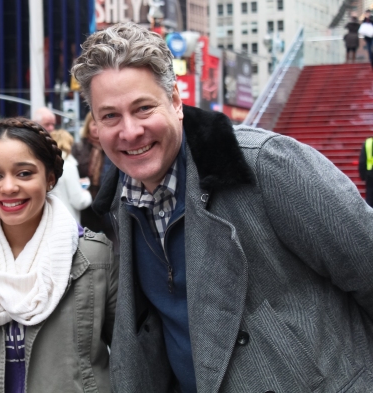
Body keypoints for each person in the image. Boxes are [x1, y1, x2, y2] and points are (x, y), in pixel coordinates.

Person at [72, 22, 373, 392]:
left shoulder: (265, 164)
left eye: (143, 108)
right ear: (96, 127)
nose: (130, 131)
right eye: (111, 116)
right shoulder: (121, 202)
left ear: (176, 102)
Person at [0, 118, 117, 392]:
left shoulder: (95, 257)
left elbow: (130, 358)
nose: (8, 187)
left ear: (50, 178)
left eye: (24, 173)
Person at [71, 112, 114, 237]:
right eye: (93, 124)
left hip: (106, 203)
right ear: (88, 126)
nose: (96, 128)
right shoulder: (78, 148)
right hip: (85, 205)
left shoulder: (112, 148)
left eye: (99, 124)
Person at [50, 129, 92, 222]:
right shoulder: (68, 166)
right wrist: (88, 194)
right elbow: (79, 201)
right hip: (67, 222)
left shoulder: (47, 166)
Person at [359, 136, 373, 205]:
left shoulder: (368, 142)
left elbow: (362, 160)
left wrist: (363, 175)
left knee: (370, 199)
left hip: (370, 175)